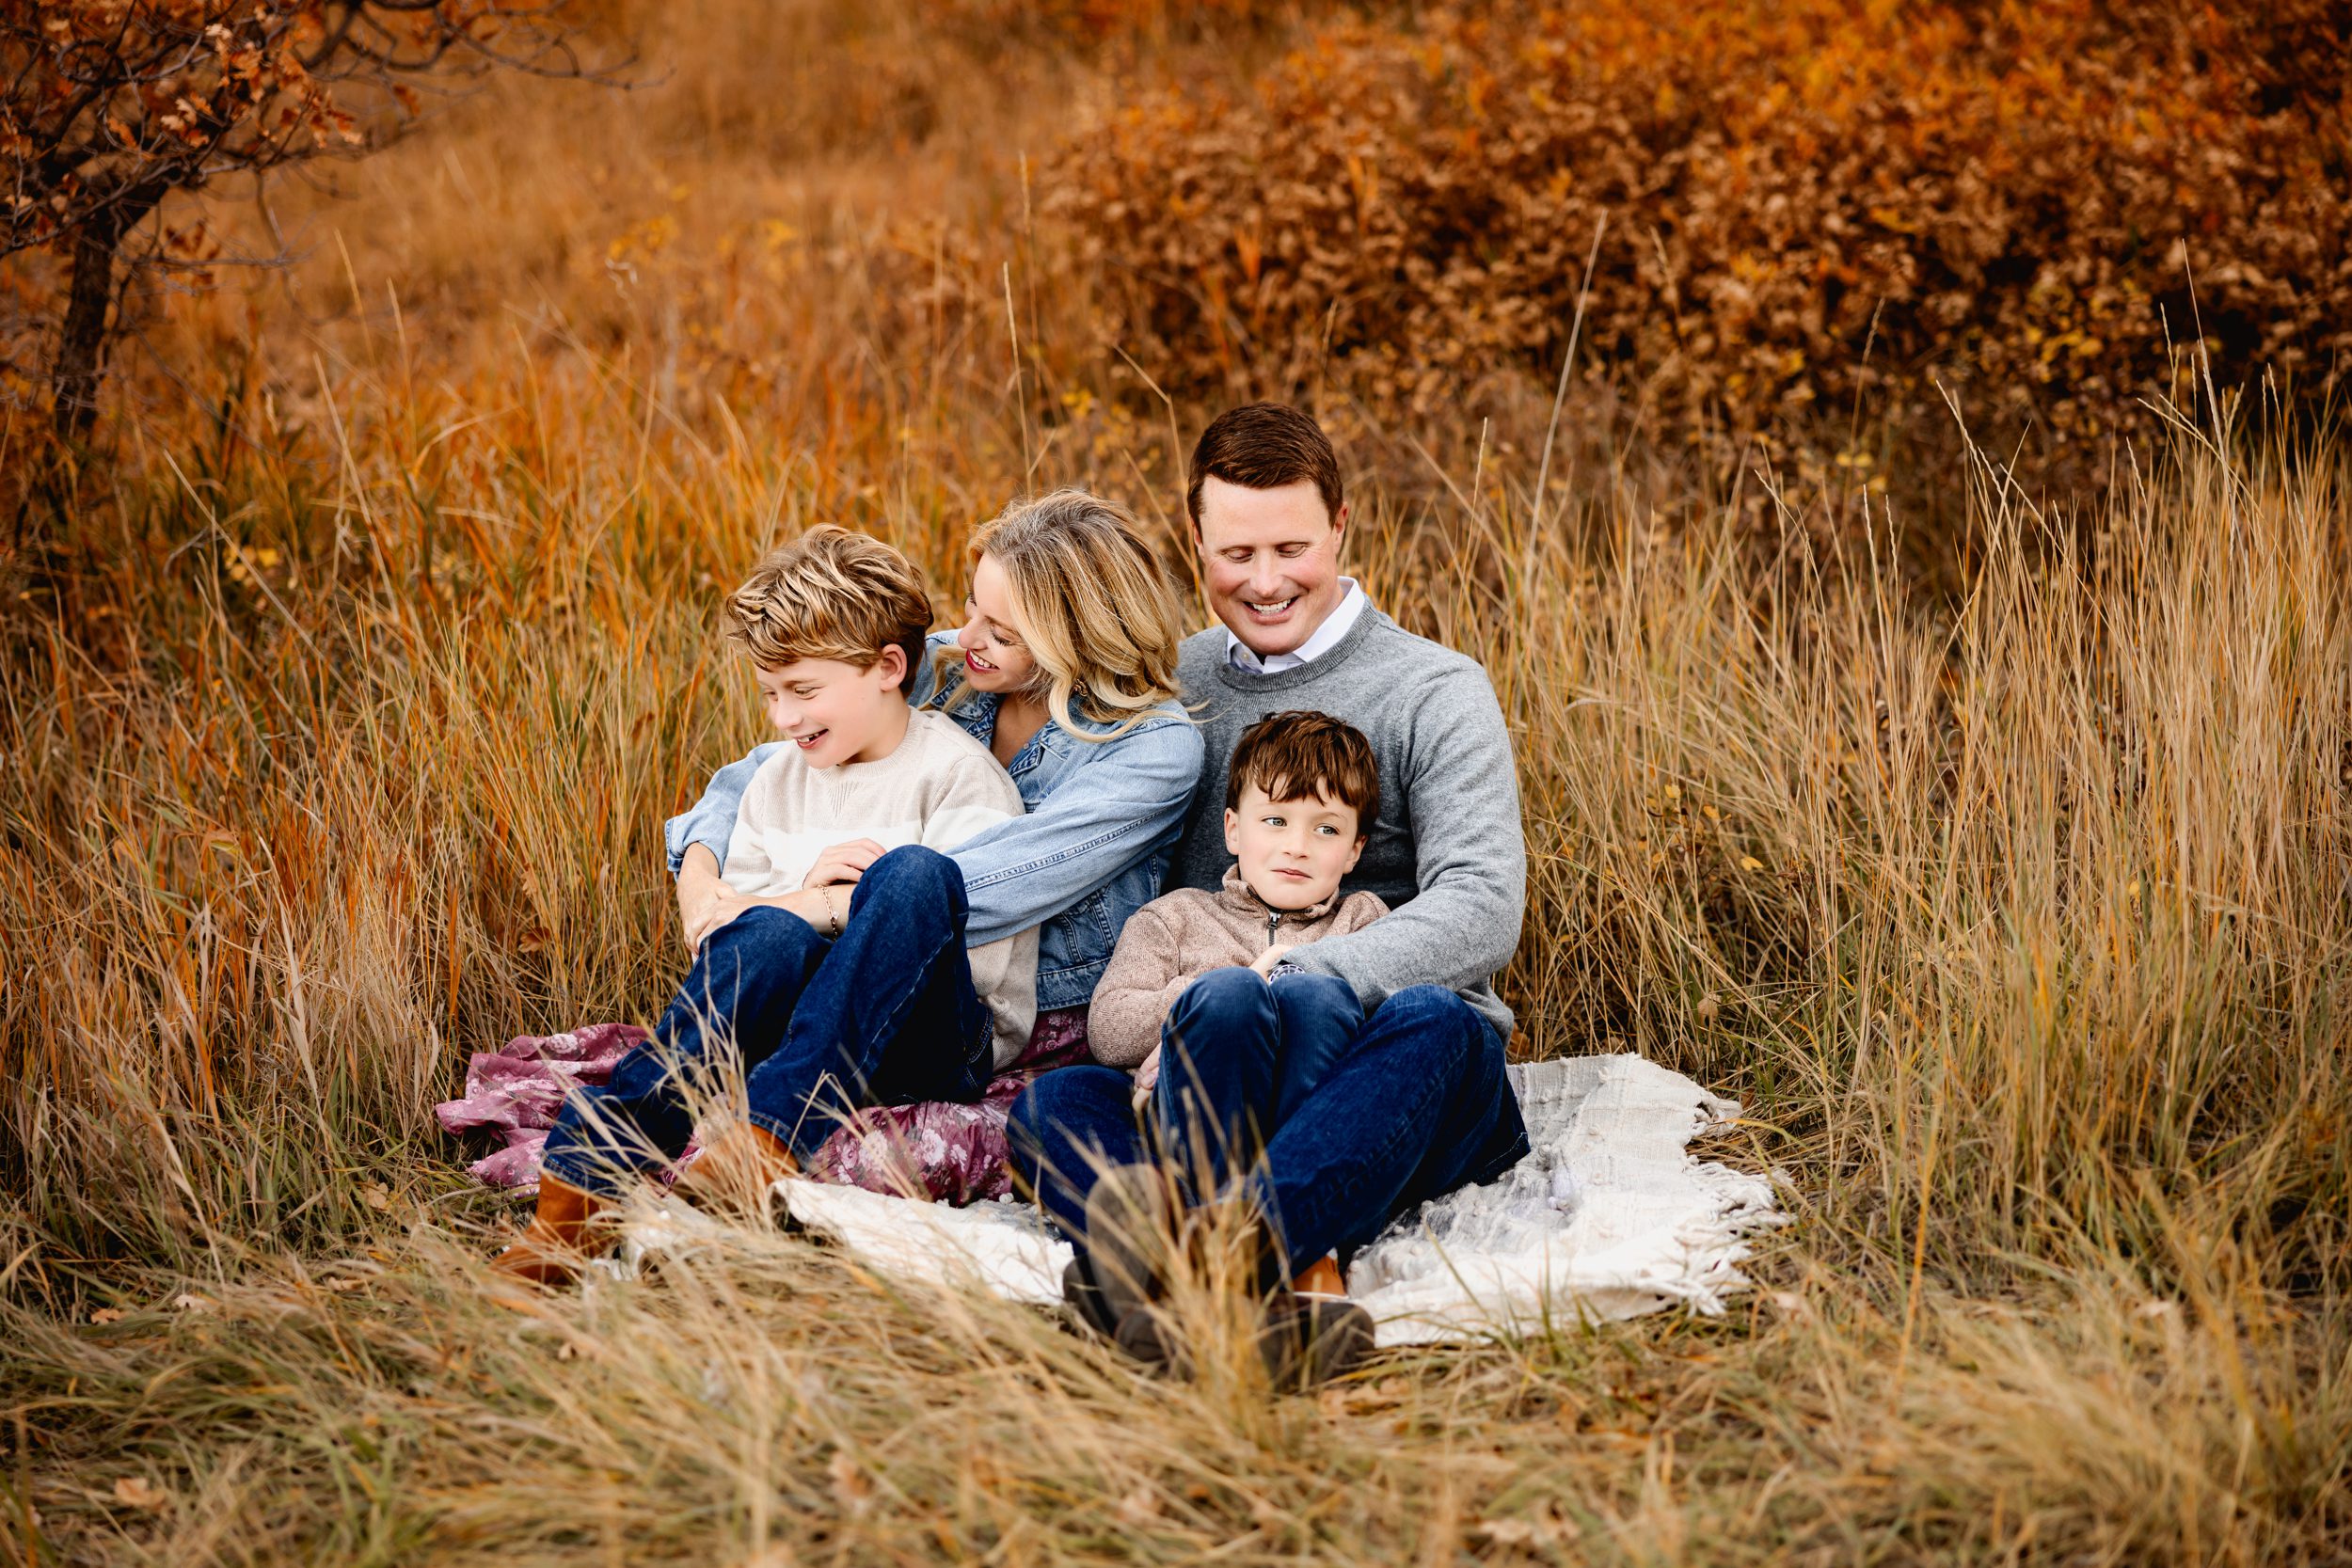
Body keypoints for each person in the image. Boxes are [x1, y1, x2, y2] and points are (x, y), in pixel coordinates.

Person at [1010, 403, 1532, 1379]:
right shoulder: (1174, 679)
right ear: (1194, 539)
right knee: (1057, 1105)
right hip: (1215, 1047)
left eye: (1290, 546)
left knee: (1436, 1023)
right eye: (1233, 551)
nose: (1262, 580)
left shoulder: (1435, 688)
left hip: (1389, 1061)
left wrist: (1306, 972)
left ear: (1340, 525)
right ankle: (1252, 1279)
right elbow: (1005, 708)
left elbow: (1481, 903)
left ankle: (1201, 1261)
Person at [498, 525, 1038, 1281]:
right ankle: (577, 1197)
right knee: (772, 938)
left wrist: (840, 906)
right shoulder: (776, 783)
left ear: (888, 667)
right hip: (796, 1030)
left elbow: (965, 953)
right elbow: (721, 936)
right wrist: (811, 898)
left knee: (913, 874)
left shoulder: (955, 774)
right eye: (770, 694)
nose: (783, 717)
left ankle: (768, 1138)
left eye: (804, 691)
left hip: (931, 1039)